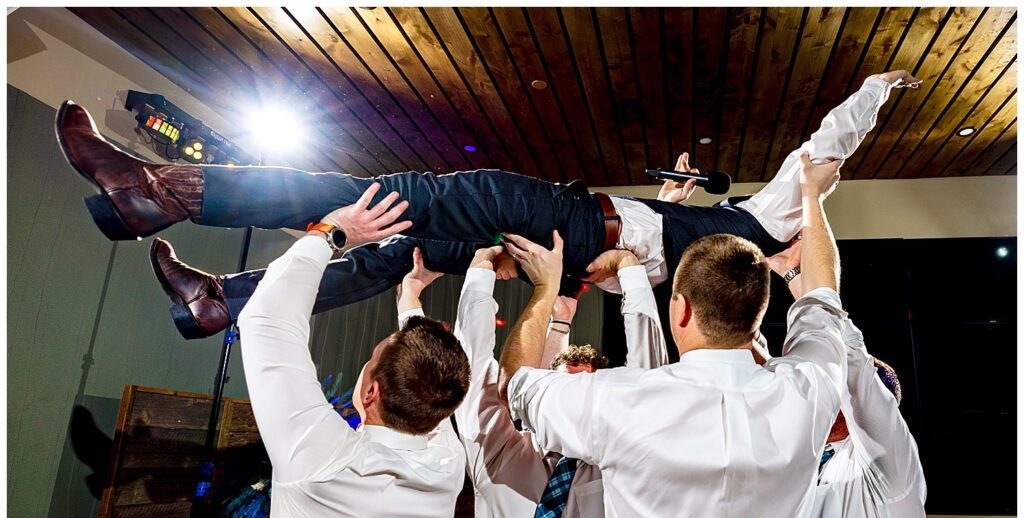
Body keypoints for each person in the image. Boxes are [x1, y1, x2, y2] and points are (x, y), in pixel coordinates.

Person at [55, 71, 920, 339]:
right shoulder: (729, 261)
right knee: (395, 248)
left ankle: (158, 192)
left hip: (567, 223)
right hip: (574, 239)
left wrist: (875, 93)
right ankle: (225, 301)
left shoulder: (771, 227)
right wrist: (666, 201)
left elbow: (823, 150)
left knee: (402, 198)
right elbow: (645, 255)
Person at [495, 153, 849, 518]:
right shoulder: (809, 390)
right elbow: (822, 297)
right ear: (756, 320)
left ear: (679, 309)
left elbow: (516, 384)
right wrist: (812, 198)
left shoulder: (622, 402)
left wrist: (547, 289)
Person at [232, 198, 473, 518]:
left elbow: (266, 319)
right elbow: (433, 390)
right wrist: (409, 301)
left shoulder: (319, 461)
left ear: (370, 391)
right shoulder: (446, 468)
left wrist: (333, 232)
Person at [428, 242, 665, 518]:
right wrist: (482, 271)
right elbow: (475, 368)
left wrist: (631, 271)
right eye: (560, 390)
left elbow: (651, 388)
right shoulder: (497, 452)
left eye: (585, 394)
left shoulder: (621, 465)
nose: (570, 404)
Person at [766, 243, 928, 518]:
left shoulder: (889, 471)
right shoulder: (804, 469)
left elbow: (853, 369)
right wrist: (787, 278)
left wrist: (814, 290)